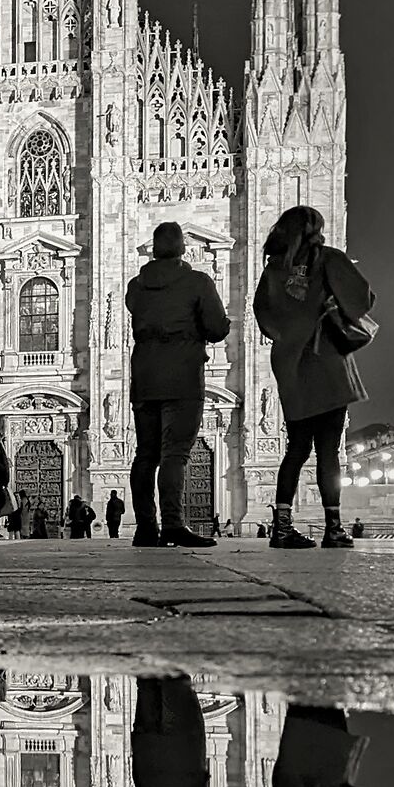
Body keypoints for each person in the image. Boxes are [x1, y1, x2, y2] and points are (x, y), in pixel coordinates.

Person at [252, 204, 375, 549]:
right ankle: (333, 528)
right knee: (328, 452)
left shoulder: (273, 268)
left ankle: (281, 527)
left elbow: (262, 314)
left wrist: (289, 334)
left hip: (290, 364)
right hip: (325, 361)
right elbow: (364, 299)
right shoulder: (327, 258)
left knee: (297, 449)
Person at [124, 220, 231, 548]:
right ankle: (172, 524)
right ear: (183, 247)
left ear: (154, 249)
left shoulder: (136, 285)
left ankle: (145, 527)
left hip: (144, 376)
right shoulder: (197, 281)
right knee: (175, 453)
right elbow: (216, 328)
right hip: (182, 375)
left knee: (145, 454)